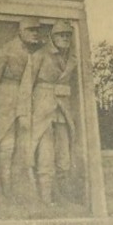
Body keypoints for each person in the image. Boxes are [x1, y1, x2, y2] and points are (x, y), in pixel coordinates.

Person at [0, 17, 46, 201]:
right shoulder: (6, 51)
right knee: (6, 145)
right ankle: (4, 190)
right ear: (20, 32)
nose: (34, 34)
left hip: (27, 101)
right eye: (30, 30)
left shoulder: (38, 53)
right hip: (6, 100)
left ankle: (29, 192)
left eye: (36, 30)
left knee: (26, 145)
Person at [30, 20, 79, 206]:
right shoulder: (39, 55)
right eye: (61, 35)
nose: (65, 38)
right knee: (45, 155)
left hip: (63, 111)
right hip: (43, 109)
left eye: (68, 35)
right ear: (52, 37)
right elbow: (28, 85)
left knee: (64, 157)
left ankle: (63, 196)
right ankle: (45, 197)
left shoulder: (72, 59)